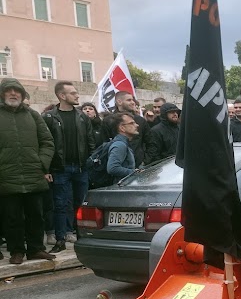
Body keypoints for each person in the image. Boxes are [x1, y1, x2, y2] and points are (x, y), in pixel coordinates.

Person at [0, 78, 56, 264]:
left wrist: (41, 164)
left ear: (23, 95)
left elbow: (47, 142)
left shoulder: (33, 115)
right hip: (6, 176)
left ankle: (36, 249)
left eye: (17, 91)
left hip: (33, 175)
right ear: (3, 94)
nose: (13, 94)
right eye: (9, 91)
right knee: (12, 217)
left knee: (36, 216)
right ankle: (16, 251)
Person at [41, 81, 95, 253]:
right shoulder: (49, 117)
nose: (77, 95)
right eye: (73, 93)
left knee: (81, 204)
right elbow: (45, 144)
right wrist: (46, 169)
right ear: (62, 96)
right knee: (60, 205)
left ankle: (82, 238)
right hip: (59, 169)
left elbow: (90, 142)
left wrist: (89, 162)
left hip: (80, 168)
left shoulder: (82, 117)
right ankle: (60, 239)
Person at [109, 91, 150, 166]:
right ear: (119, 102)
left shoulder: (140, 120)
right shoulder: (109, 121)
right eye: (129, 100)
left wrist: (145, 161)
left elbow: (150, 142)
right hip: (118, 167)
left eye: (133, 100)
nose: (133, 102)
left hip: (139, 165)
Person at [106, 113, 138, 181]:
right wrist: (134, 172)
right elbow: (112, 168)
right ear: (122, 128)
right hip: (121, 187)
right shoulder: (120, 145)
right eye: (131, 123)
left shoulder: (123, 143)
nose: (136, 125)